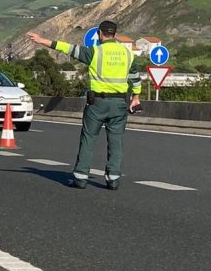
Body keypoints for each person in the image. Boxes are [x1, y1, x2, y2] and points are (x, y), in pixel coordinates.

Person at [27, 20, 142, 190]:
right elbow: (135, 78)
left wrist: (42, 40)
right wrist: (136, 98)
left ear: (100, 34)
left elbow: (67, 48)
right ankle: (113, 179)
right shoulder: (128, 54)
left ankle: (81, 178)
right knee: (116, 141)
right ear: (115, 34)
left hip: (97, 103)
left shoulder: (95, 52)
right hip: (119, 104)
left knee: (89, 138)